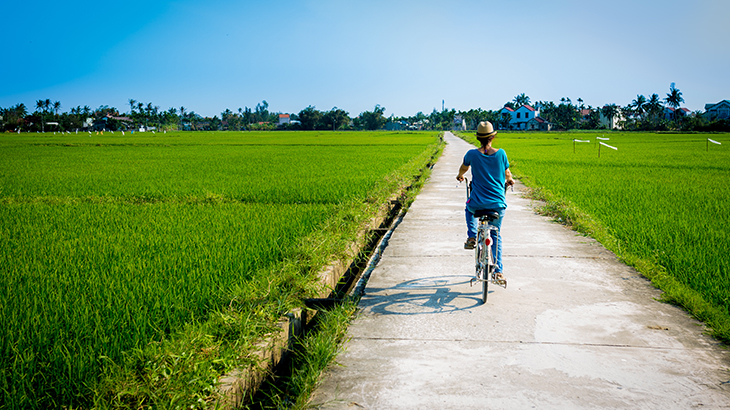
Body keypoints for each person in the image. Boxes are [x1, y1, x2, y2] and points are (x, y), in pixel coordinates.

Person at [456, 121, 514, 279]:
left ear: (478, 138)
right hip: (497, 204)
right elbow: (507, 174)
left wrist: (460, 176)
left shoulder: (472, 154)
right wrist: (509, 180)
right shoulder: (501, 154)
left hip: (477, 203)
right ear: (493, 137)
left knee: (468, 208)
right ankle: (498, 271)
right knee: (496, 235)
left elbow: (463, 168)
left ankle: (472, 235)